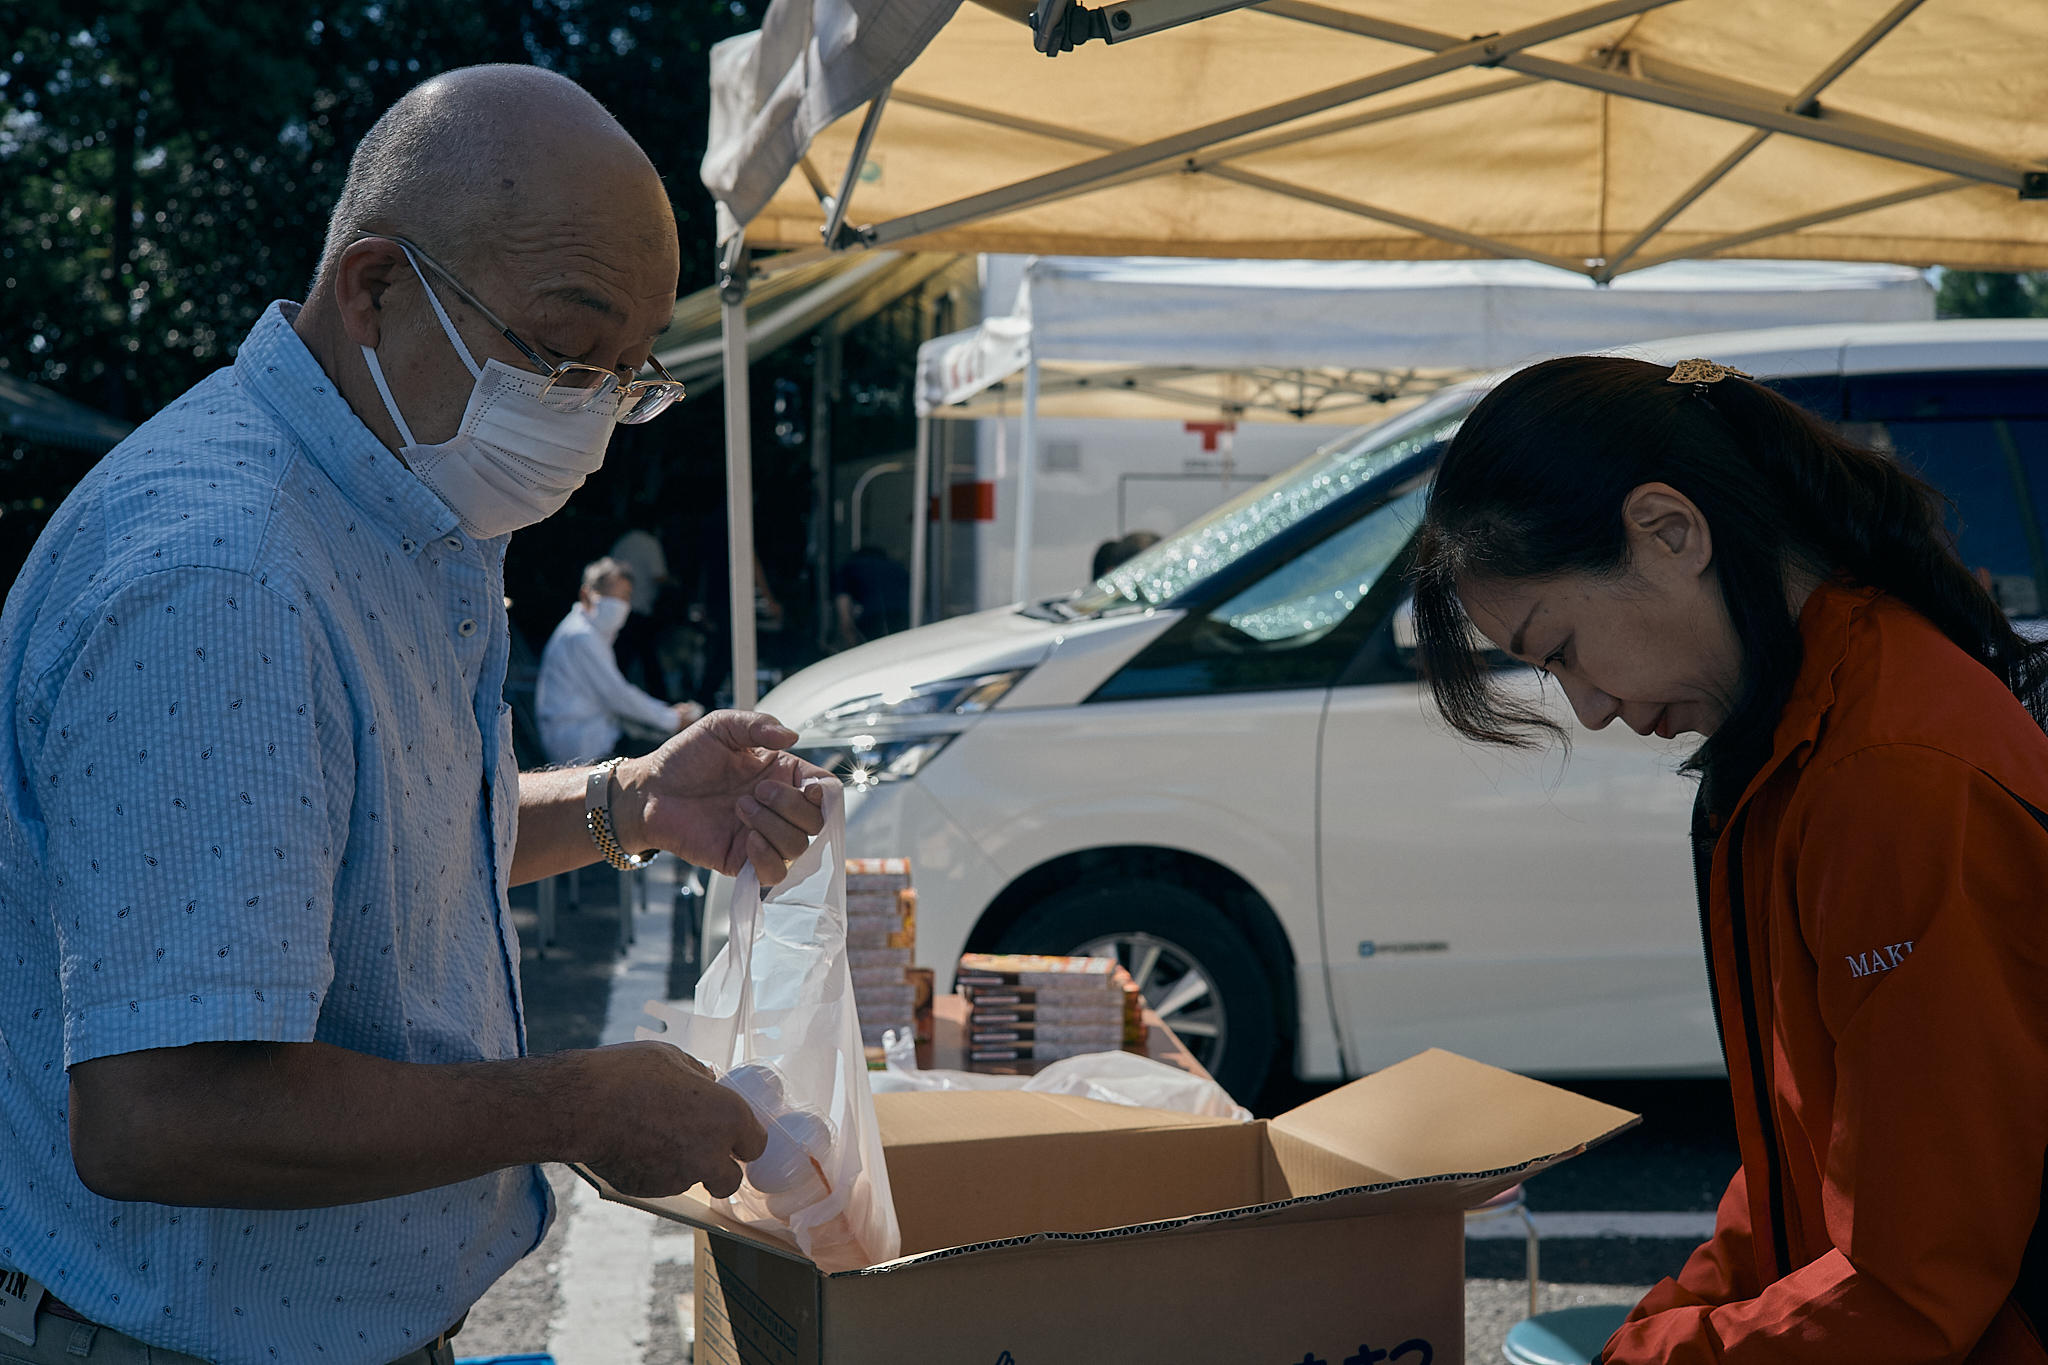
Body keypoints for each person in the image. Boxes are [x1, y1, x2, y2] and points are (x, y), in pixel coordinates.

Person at [0, 66, 831, 1365]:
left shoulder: (399, 509)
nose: (589, 415)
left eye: (627, 378)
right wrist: (575, 1104)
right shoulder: (227, 579)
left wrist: (634, 803)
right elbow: (164, 1113)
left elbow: (374, 860)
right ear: (376, 289)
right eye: (563, 354)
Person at [1411, 355, 2048, 1363]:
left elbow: (1913, 1281)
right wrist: (1661, 1325)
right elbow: (1805, 1152)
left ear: (1670, 531)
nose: (1588, 706)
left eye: (1561, 648)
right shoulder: (1805, 735)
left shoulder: (1888, 773)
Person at [537, 556, 702, 764]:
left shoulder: (587, 632)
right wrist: (672, 718)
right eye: (613, 596)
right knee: (675, 759)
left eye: (625, 597)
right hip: (585, 745)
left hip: (592, 736)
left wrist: (667, 713)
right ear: (586, 595)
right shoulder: (582, 637)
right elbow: (617, 695)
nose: (621, 605)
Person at [607, 520, 670, 693]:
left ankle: (614, 693)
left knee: (621, 659)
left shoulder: (623, 541)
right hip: (638, 610)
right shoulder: (650, 543)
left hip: (618, 609)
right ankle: (659, 697)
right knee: (648, 660)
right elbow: (659, 576)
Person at [832, 543, 909, 649]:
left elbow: (845, 621)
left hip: (874, 620)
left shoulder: (849, 567)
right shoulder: (898, 567)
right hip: (907, 618)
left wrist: (852, 651)